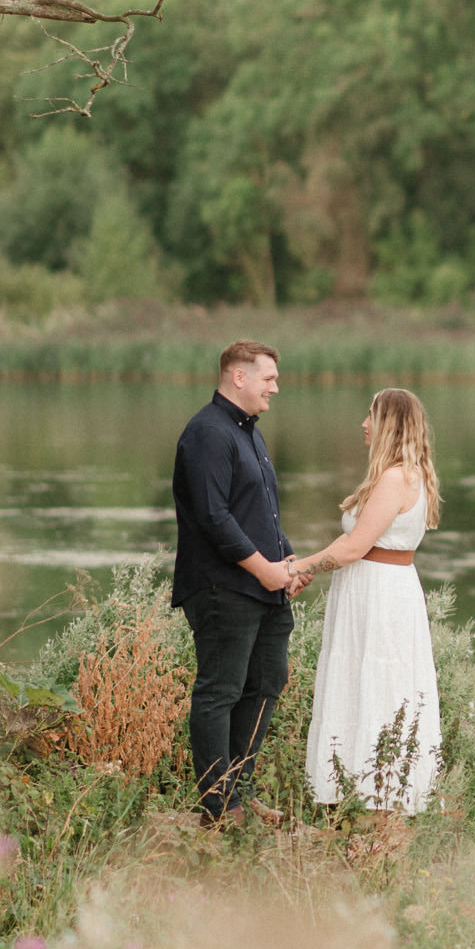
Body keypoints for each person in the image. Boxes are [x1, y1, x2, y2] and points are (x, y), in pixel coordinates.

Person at [292, 387, 442, 813]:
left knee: (378, 685)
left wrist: (295, 568)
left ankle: (378, 802)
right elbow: (351, 542)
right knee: (362, 683)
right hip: (375, 590)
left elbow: (355, 548)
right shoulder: (402, 475)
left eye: (371, 416)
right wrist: (310, 567)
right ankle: (356, 798)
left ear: (389, 425)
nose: (363, 424)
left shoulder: (396, 479)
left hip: (380, 596)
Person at [170, 340, 298, 826]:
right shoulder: (207, 432)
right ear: (238, 377)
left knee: (267, 682)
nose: (275, 388)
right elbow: (214, 517)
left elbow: (259, 512)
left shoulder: (249, 433)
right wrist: (264, 569)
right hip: (222, 588)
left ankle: (240, 791)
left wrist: (288, 562)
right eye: (269, 378)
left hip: (264, 587)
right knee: (220, 691)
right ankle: (219, 806)